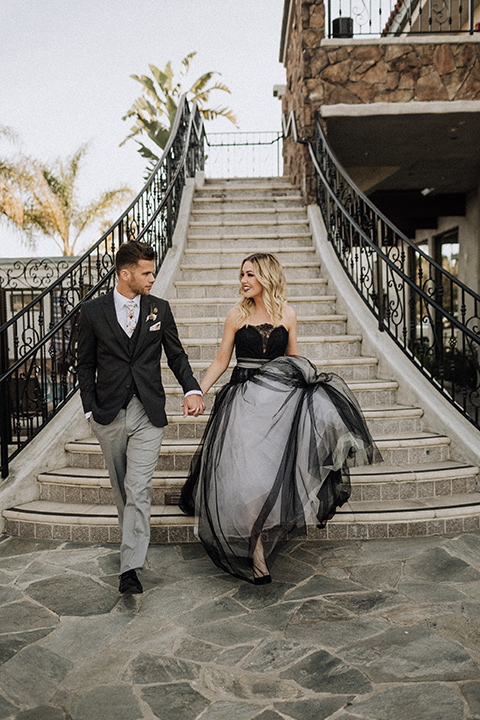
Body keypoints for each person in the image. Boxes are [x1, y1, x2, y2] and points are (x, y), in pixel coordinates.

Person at [180, 252, 379, 584]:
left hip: (277, 403)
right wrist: (196, 391)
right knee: (247, 477)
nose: (244, 281)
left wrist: (313, 387)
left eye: (251, 275)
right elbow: (220, 361)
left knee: (268, 475)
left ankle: (258, 532)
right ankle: (257, 552)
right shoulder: (235, 315)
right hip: (242, 403)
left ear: (267, 278)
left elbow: (293, 357)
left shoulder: (288, 314)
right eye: (242, 274)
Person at [77, 240, 205, 594]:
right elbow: (84, 364)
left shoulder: (159, 309)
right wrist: (90, 409)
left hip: (149, 411)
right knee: (122, 490)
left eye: (153, 271)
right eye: (146, 272)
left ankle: (130, 568)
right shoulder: (93, 312)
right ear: (125, 273)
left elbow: (176, 356)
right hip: (109, 413)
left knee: (138, 488)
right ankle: (130, 546)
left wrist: (192, 388)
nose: (152, 278)